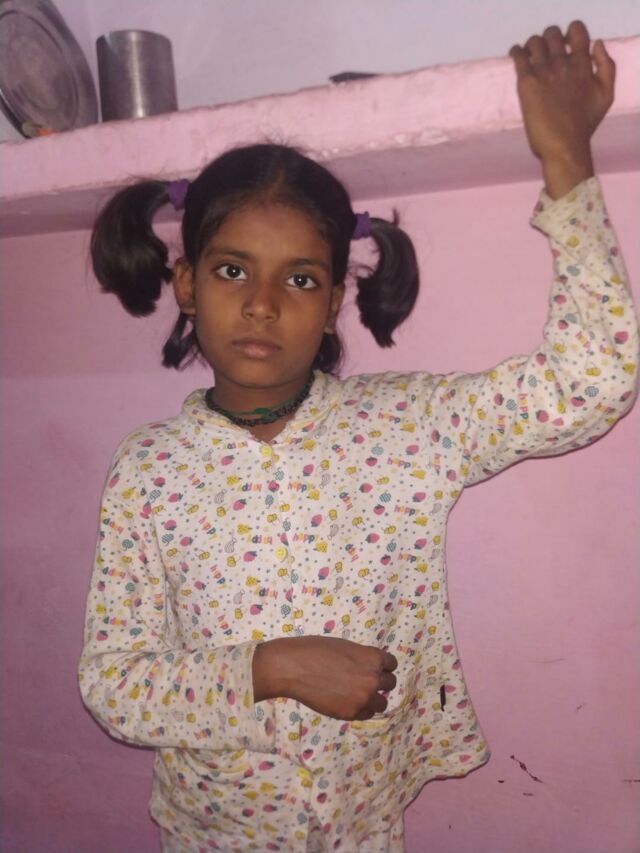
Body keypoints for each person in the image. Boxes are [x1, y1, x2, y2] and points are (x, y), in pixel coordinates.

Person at [79, 21, 638, 853]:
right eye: (232, 269)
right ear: (187, 283)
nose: (263, 302)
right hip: (210, 830)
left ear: (336, 298)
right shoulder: (149, 469)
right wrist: (273, 667)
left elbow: (591, 378)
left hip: (363, 825)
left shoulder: (407, 427)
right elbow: (112, 684)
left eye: (300, 278)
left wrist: (566, 160)